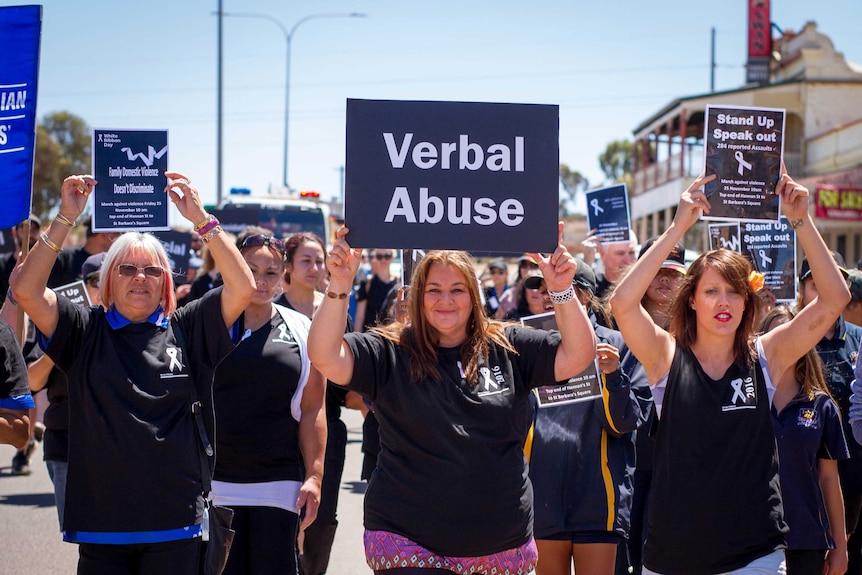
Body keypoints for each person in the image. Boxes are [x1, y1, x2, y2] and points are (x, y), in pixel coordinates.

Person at [308, 223, 597, 575]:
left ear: (473, 296)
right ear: (418, 295)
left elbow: (579, 356)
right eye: (434, 289)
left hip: (500, 545)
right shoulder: (390, 350)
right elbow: (324, 356)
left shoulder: (509, 346)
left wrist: (562, 289)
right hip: (407, 541)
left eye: (457, 289)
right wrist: (338, 284)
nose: (445, 300)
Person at [10, 172, 255, 574]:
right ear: (108, 279)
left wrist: (202, 219)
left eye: (152, 271)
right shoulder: (83, 327)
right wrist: (65, 217)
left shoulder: (189, 328)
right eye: (126, 269)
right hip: (101, 525)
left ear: (165, 283)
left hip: (176, 522)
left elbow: (242, 287)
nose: (140, 278)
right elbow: (26, 292)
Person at [609, 171, 850, 575]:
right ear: (691, 302)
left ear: (746, 301)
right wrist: (676, 228)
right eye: (711, 290)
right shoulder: (664, 357)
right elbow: (622, 304)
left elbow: (834, 298)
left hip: (754, 556)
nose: (724, 301)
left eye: (735, 291)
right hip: (672, 555)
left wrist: (800, 219)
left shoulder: (767, 355)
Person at [525, 259, 651, 575]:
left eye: (554, 288)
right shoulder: (530, 344)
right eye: (541, 290)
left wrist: (613, 375)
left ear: (583, 295)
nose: (545, 296)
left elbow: (625, 423)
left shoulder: (620, 344)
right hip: (544, 492)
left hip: (597, 496)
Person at [211, 229, 326, 575]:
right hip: (215, 488)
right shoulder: (204, 322)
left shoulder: (301, 328)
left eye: (270, 273)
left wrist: (315, 477)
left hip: (279, 486)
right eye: (249, 270)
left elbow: (312, 408)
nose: (259, 281)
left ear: (283, 277)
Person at [277, 230, 357, 575]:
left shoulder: (335, 311)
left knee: (322, 520)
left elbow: (348, 381)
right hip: (279, 431)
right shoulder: (270, 311)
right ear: (288, 268)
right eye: (305, 260)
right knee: (284, 521)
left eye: (319, 261)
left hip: (329, 431)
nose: (314, 268)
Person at [761, 305, 849, 575]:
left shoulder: (822, 406)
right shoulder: (744, 402)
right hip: (752, 541)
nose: (784, 342)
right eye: (775, 336)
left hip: (806, 540)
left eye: (791, 334)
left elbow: (829, 479)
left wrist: (840, 546)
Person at [25, 251, 105, 528]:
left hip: (114, 446)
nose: (103, 288)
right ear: (83, 284)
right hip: (66, 444)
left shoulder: (133, 327)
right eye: (96, 281)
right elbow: (32, 383)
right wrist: (57, 348)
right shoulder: (60, 324)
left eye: (110, 280)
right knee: (79, 531)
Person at [797, 251, 862, 575]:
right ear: (801, 290)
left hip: (853, 473)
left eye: (832, 278)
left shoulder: (858, 338)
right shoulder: (789, 338)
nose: (822, 287)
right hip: (805, 471)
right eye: (813, 282)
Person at [354, 248, 397, 332]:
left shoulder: (398, 283)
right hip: (371, 336)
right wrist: (356, 341)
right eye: (379, 256)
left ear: (393, 257)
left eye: (387, 256)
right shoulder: (368, 283)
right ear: (375, 258)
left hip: (391, 336)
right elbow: (360, 316)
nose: (383, 260)